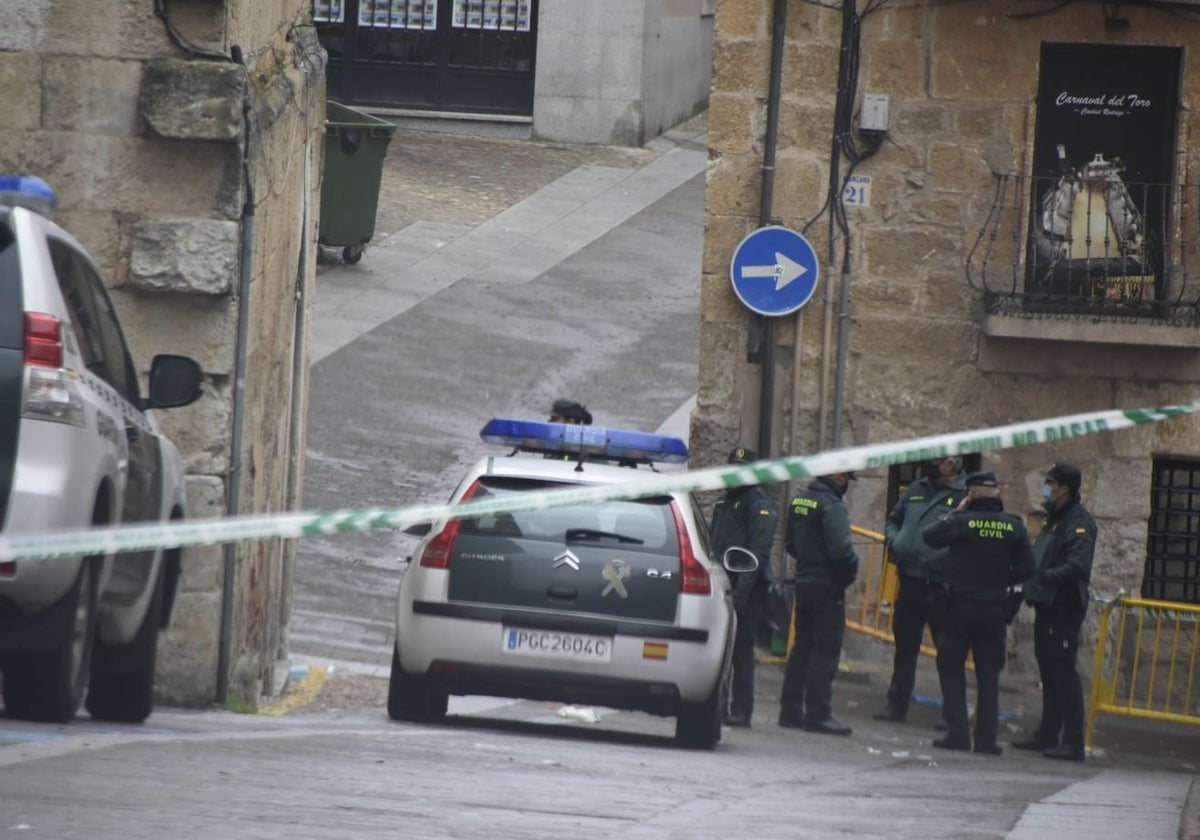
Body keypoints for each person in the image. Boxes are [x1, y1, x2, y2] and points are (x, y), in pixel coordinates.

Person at [921, 471, 1035, 754]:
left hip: (958, 606)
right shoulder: (1014, 526)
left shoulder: (961, 522)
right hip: (993, 608)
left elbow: (929, 536)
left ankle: (958, 734)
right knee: (988, 675)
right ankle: (986, 739)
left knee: (951, 670)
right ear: (997, 494)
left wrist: (956, 511)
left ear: (969, 494)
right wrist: (1005, 587)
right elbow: (1028, 569)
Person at [1012, 462, 1096, 762]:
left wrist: (1043, 576)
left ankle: (1073, 742)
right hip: (1047, 605)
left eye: (1050, 482)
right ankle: (1048, 734)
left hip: (1063, 607)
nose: (1045, 488)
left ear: (1064, 488)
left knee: (1063, 673)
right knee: (1048, 671)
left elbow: (1077, 566)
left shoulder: (1078, 522)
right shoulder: (1054, 519)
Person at [874, 456, 968, 723]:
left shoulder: (963, 494)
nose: (929, 463)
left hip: (941, 586)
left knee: (949, 652)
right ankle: (896, 705)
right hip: (911, 579)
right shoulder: (917, 488)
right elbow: (893, 520)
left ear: (951, 464)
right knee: (905, 648)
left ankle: (953, 715)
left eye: (936, 460)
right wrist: (896, 541)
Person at [778, 470, 859, 736]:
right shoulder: (831, 505)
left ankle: (790, 711)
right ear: (837, 476)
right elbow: (841, 551)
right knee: (825, 651)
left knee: (802, 646)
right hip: (827, 585)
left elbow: (790, 543)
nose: (847, 483)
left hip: (805, 581)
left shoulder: (801, 500)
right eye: (847, 478)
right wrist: (848, 573)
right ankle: (818, 714)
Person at [709, 446, 779, 727]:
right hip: (723, 584)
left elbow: (758, 554)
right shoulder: (724, 501)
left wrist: (742, 592)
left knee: (741, 650)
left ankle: (742, 709)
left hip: (746, 589)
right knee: (720, 648)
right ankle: (720, 705)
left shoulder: (759, 504)